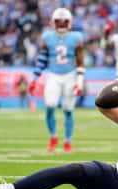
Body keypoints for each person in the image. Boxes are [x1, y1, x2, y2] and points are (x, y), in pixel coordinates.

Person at [28, 8, 85, 152]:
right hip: (53, 75)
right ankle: (53, 137)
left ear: (69, 23)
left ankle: (68, 141)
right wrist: (35, 79)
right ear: (53, 22)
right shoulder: (47, 37)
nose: (60, 24)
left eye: (63, 22)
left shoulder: (76, 37)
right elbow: (42, 60)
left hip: (69, 76)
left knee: (68, 110)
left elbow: (80, 60)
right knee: (50, 106)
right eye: (58, 22)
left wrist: (79, 81)